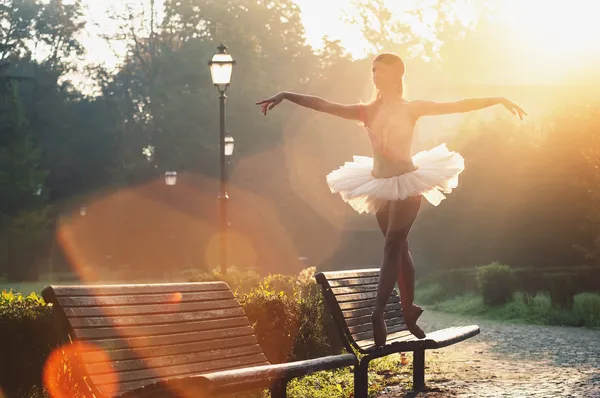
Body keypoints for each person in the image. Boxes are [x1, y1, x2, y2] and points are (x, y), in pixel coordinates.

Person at [256, 53, 526, 346]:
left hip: (408, 185)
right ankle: (409, 310)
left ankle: (379, 312)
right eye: (372, 70)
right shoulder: (365, 111)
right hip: (378, 185)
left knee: (391, 245)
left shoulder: (412, 109)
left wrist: (498, 98)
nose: (374, 75)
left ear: (397, 75)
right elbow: (323, 104)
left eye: (380, 70)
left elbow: (457, 106)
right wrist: (285, 94)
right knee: (400, 247)